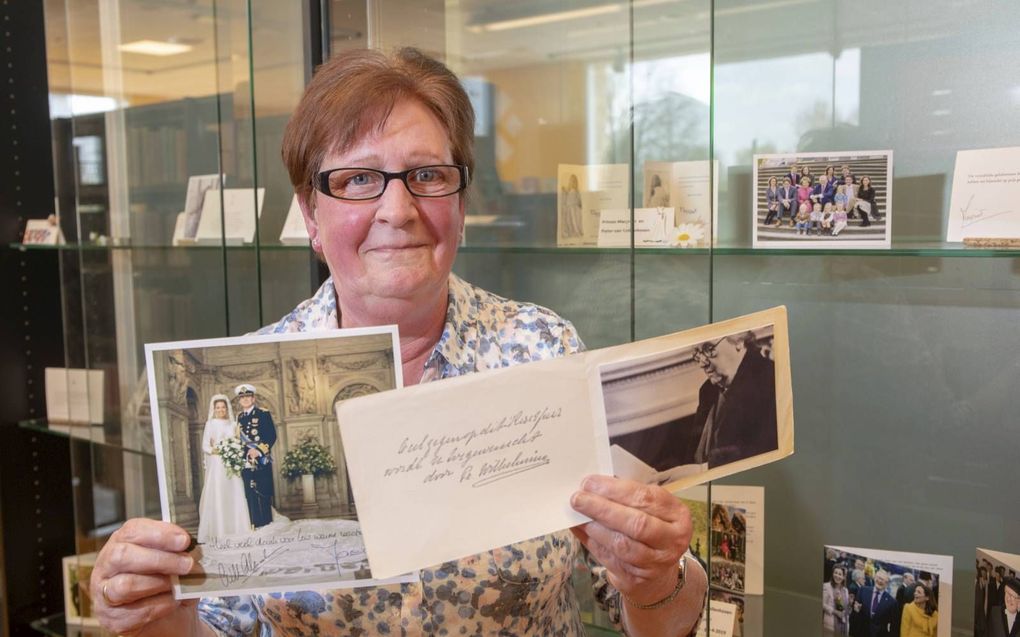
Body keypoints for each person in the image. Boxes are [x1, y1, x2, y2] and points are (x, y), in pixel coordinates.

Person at [88, 47, 706, 637]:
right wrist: (154, 616)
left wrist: (656, 576)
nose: (398, 208)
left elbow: (651, 616)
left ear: (460, 201)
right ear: (310, 215)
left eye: (427, 175)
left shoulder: (542, 348)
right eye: (358, 180)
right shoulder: (249, 371)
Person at [691, 330, 778, 468]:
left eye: (709, 349)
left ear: (738, 341)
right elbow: (692, 453)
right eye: (697, 353)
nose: (702, 363)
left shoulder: (770, 379)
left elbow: (764, 454)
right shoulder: (707, 391)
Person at [196, 395, 249, 543]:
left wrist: (233, 448)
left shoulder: (233, 424)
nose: (220, 410)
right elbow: (205, 445)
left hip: (231, 463)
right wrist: (218, 450)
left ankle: (238, 528)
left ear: (227, 409)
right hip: (217, 463)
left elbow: (238, 442)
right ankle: (219, 529)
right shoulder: (210, 424)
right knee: (219, 492)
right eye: (218, 407)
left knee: (234, 491)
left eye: (223, 407)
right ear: (214, 409)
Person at [234, 383, 277, 529]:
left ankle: (267, 524)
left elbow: (271, 435)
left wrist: (258, 451)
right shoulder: (239, 417)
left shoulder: (263, 414)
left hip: (261, 458)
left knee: (263, 491)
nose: (245, 400)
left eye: (248, 397)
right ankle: (254, 523)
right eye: (242, 397)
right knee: (249, 491)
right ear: (239, 401)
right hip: (245, 459)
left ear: (253, 399)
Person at [851, 569, 897, 637]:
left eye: (883, 580)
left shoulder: (892, 602)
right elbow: (854, 613)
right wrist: (856, 611)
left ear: (887, 583)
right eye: (878, 578)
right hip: (860, 633)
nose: (880, 581)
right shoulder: (863, 590)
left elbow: (893, 625)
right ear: (875, 578)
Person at [824, 565, 851, 636]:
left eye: (840, 574)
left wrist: (850, 603)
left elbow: (846, 609)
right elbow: (823, 604)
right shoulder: (826, 586)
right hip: (830, 624)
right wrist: (835, 612)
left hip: (843, 626)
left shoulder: (845, 590)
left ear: (844, 577)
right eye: (835, 573)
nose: (837, 576)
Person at [561, 172, 584, 238]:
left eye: (574, 181)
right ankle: (570, 232)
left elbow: (579, 199)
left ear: (575, 182)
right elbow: (566, 194)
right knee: (568, 220)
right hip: (569, 207)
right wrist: (564, 190)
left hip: (574, 207)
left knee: (575, 220)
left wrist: (580, 204)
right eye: (571, 180)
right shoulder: (569, 190)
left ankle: (577, 232)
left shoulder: (576, 190)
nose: (572, 182)